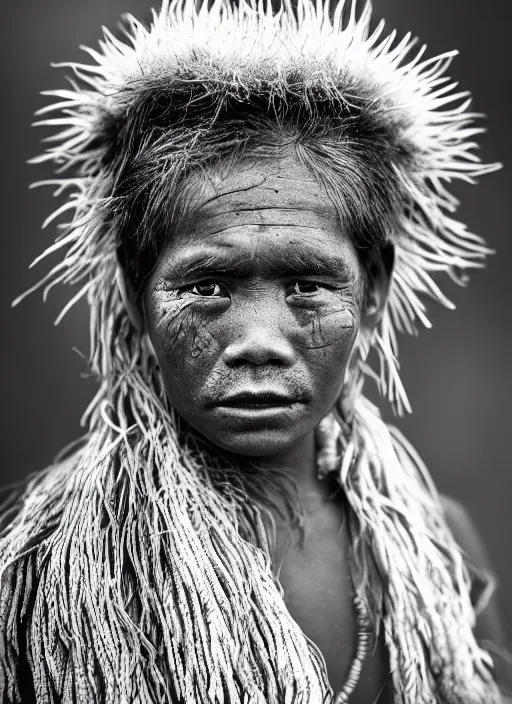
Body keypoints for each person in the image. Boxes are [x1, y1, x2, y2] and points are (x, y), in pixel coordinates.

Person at [0, 0, 510, 702]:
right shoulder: (41, 577)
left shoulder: (442, 555)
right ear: (133, 288)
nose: (259, 344)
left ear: (372, 292)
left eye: (307, 284)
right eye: (207, 285)